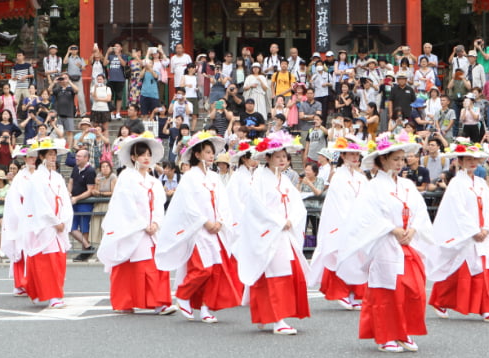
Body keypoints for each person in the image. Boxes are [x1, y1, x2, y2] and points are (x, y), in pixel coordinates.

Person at [335, 132, 433, 353]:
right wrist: (392, 229)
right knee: (387, 291)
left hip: (408, 242)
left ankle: (404, 330)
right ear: (383, 160)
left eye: (402, 159)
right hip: (386, 243)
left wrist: (413, 229)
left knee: (414, 290)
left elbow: (419, 209)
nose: (400, 163)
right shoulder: (373, 187)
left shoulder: (407, 184)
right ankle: (385, 335)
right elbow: (366, 216)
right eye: (395, 159)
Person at [156, 132, 242, 323]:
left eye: (212, 152)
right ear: (197, 154)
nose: (212, 156)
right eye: (207, 152)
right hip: (197, 231)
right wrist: (206, 222)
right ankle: (183, 294)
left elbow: (223, 201)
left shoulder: (214, 177)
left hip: (215, 230)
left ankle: (205, 307)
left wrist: (220, 220)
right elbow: (188, 205)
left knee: (216, 271)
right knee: (203, 269)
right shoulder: (189, 177)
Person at [234, 132, 310, 335]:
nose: (282, 160)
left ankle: (266, 315)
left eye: (284, 156)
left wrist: (291, 221)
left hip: (285, 233)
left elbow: (298, 206)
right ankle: (277, 319)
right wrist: (278, 222)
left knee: (285, 274)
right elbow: (256, 208)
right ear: (267, 158)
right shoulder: (259, 179)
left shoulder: (284, 180)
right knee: (276, 275)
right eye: (277, 156)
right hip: (270, 233)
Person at [425, 138, 489, 323]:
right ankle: (441, 299)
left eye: (474, 159)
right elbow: (456, 210)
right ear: (460, 161)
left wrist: (486, 228)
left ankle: (488, 308)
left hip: (483, 232)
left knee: (486, 268)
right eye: (467, 158)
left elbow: (488, 207)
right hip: (466, 234)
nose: (471, 162)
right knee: (461, 269)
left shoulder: (480, 182)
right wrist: (472, 230)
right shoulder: (456, 183)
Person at [95, 132, 178, 314]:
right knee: (132, 267)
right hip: (133, 228)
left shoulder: (154, 181)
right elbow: (125, 204)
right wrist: (142, 224)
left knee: (154, 265)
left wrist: (156, 222)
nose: (146, 158)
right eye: (142, 155)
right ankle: (126, 300)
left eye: (148, 155)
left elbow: (158, 204)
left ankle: (160, 302)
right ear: (133, 157)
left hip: (151, 229)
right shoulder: (126, 177)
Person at [307, 137, 370, 310]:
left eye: (357, 154)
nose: (355, 157)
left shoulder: (360, 177)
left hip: (359, 223)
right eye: (351, 154)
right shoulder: (338, 177)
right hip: (342, 221)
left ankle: (355, 292)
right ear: (343, 156)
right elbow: (340, 204)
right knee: (340, 256)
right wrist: (350, 222)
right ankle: (341, 292)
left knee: (359, 258)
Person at [23, 138, 73, 308]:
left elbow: (65, 200)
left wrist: (64, 220)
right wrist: (53, 220)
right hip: (44, 224)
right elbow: (40, 203)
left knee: (57, 260)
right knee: (46, 261)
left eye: (54, 154)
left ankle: (53, 293)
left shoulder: (58, 177)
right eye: (50, 154)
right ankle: (52, 295)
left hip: (58, 224)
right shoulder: (37, 177)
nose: (53, 157)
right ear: (42, 156)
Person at [0, 146, 35, 296]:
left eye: (34, 156)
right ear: (25, 159)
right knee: (20, 250)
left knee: (33, 250)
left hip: (36, 216)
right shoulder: (20, 176)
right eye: (29, 157)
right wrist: (22, 216)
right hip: (22, 217)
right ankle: (20, 283)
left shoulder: (39, 174)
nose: (32, 159)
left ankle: (32, 282)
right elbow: (14, 199)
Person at [69, 149, 97, 261]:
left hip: (84, 202)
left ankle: (84, 252)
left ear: (86, 158)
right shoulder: (75, 168)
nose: (77, 158)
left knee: (84, 227)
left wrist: (77, 198)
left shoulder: (90, 171)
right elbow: (71, 181)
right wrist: (69, 192)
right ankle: (88, 247)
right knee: (71, 227)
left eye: (79, 156)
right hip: (74, 201)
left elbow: (90, 190)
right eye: (76, 156)